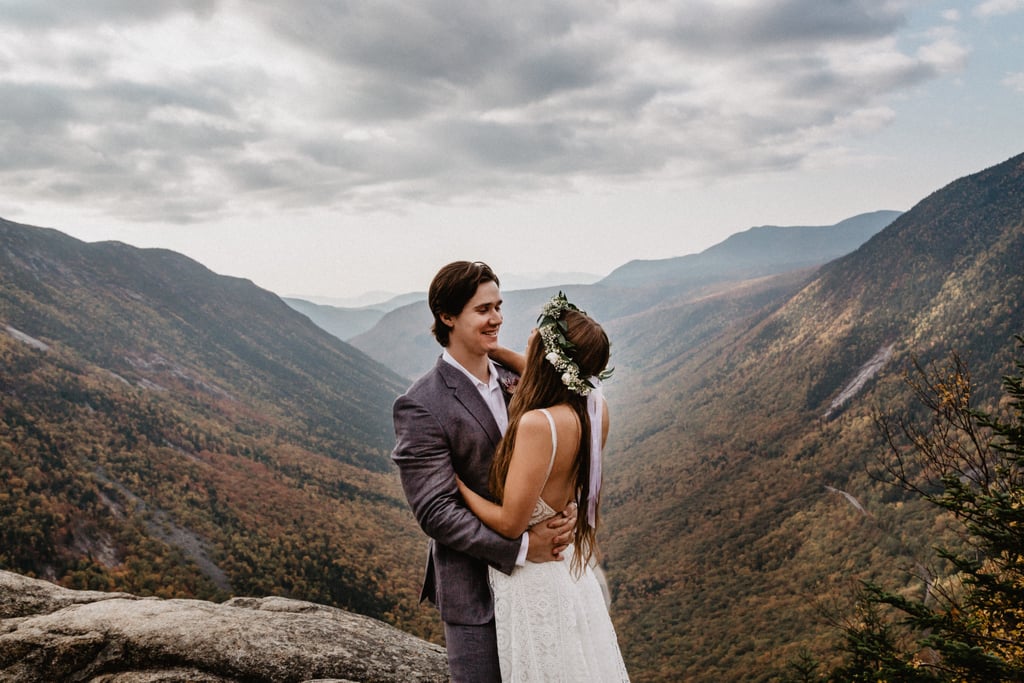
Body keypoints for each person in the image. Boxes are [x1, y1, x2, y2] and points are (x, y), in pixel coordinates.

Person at [391, 261, 577, 683]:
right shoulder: (421, 404)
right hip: (475, 594)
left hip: (543, 584)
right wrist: (523, 548)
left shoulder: (519, 379)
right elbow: (435, 512)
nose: (497, 319)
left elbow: (563, 445)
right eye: (482, 310)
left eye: (498, 306)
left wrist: (567, 507)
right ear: (447, 317)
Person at [456, 292, 630, 682]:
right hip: (567, 571)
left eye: (539, 333)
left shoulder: (540, 426)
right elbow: (541, 371)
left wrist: (458, 487)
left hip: (533, 579)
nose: (530, 333)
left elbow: (510, 523)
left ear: (551, 356)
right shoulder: (596, 409)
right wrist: (495, 347)